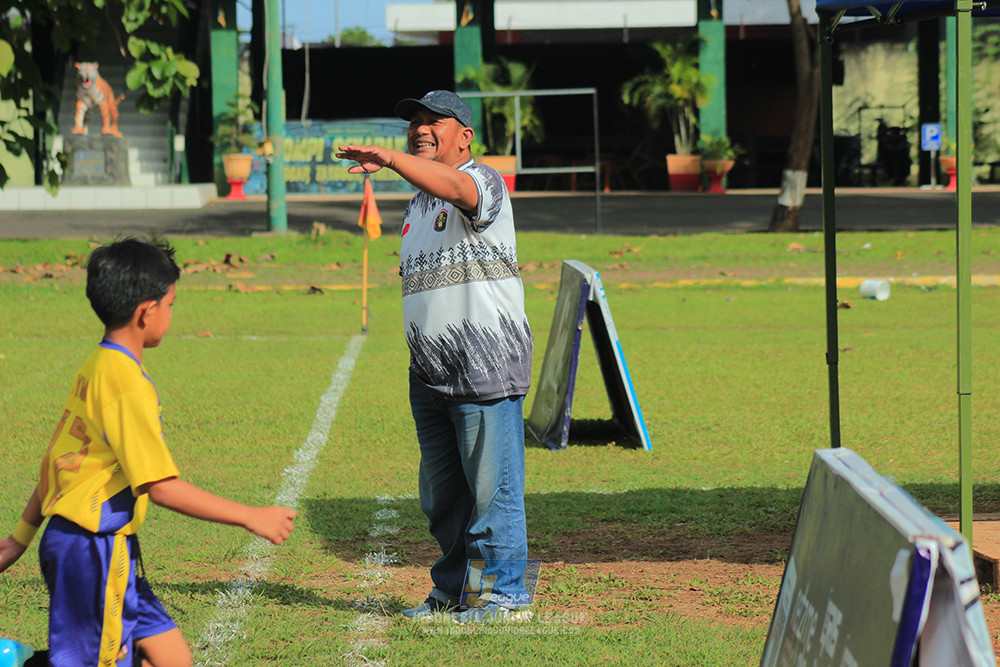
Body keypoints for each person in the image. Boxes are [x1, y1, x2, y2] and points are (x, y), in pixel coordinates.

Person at [0, 237, 297, 666]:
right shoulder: (125, 384)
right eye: (171, 305)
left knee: (172, 657)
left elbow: (55, 461)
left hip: (99, 546)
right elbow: (161, 487)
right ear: (146, 312)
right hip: (92, 550)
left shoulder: (97, 364)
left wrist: (19, 539)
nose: (172, 315)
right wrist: (251, 516)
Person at [336, 90, 533, 624]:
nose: (419, 129)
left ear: (464, 135)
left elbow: (455, 187)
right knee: (444, 501)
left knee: (494, 493)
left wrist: (392, 160)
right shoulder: (418, 203)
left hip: (483, 366)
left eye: (433, 122)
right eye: (414, 123)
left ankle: (508, 596)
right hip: (429, 375)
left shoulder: (482, 181)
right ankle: (456, 593)